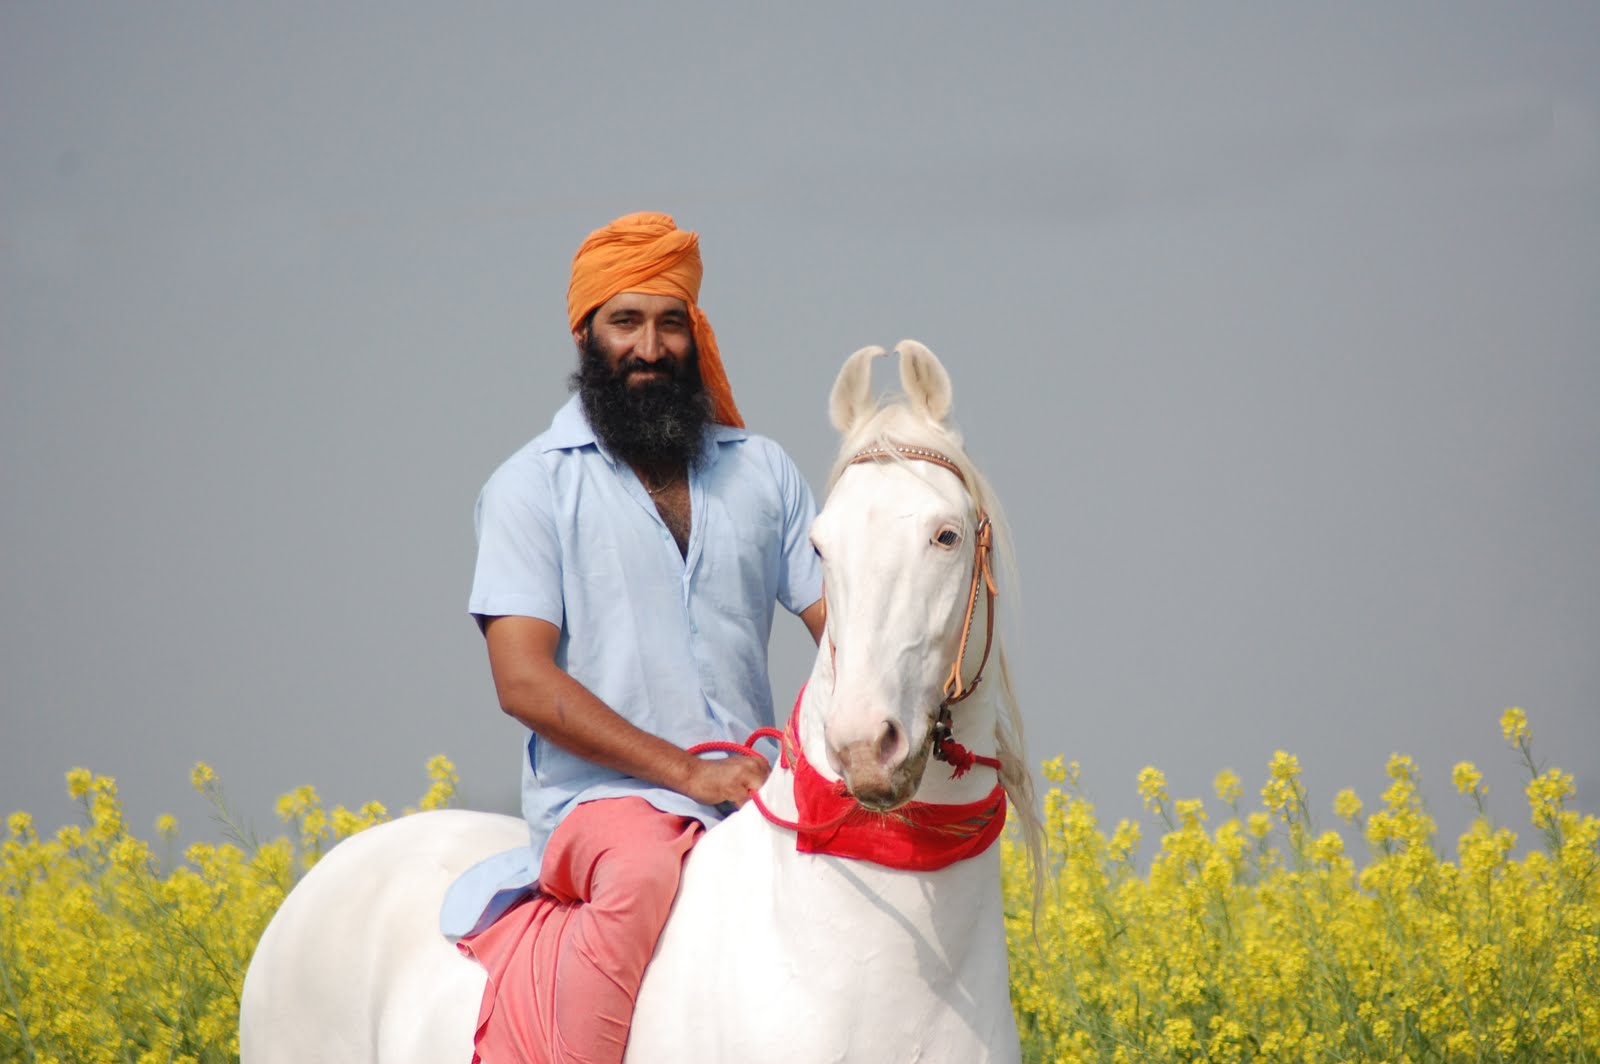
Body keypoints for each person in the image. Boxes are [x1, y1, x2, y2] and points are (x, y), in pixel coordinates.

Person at [440, 211, 825, 1064]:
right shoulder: (529, 488)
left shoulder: (763, 472)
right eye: (626, 321)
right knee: (646, 871)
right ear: (586, 333)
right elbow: (524, 683)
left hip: (751, 795)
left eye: (671, 321)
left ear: (696, 334)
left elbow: (848, 634)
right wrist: (688, 771)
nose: (650, 347)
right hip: (602, 808)